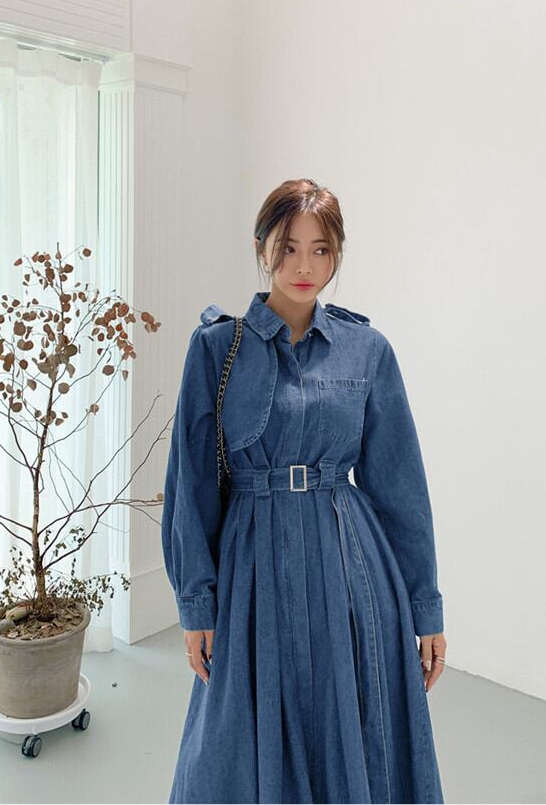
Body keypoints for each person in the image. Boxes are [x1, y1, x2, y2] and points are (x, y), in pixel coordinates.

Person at [161, 178, 447, 804]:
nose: (304, 266)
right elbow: (191, 487)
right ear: (261, 247)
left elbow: (401, 487)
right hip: (253, 566)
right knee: (234, 735)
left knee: (351, 722)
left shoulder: (367, 350)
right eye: (288, 247)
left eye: (321, 250)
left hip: (350, 566)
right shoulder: (216, 349)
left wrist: (425, 608)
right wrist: (196, 605)